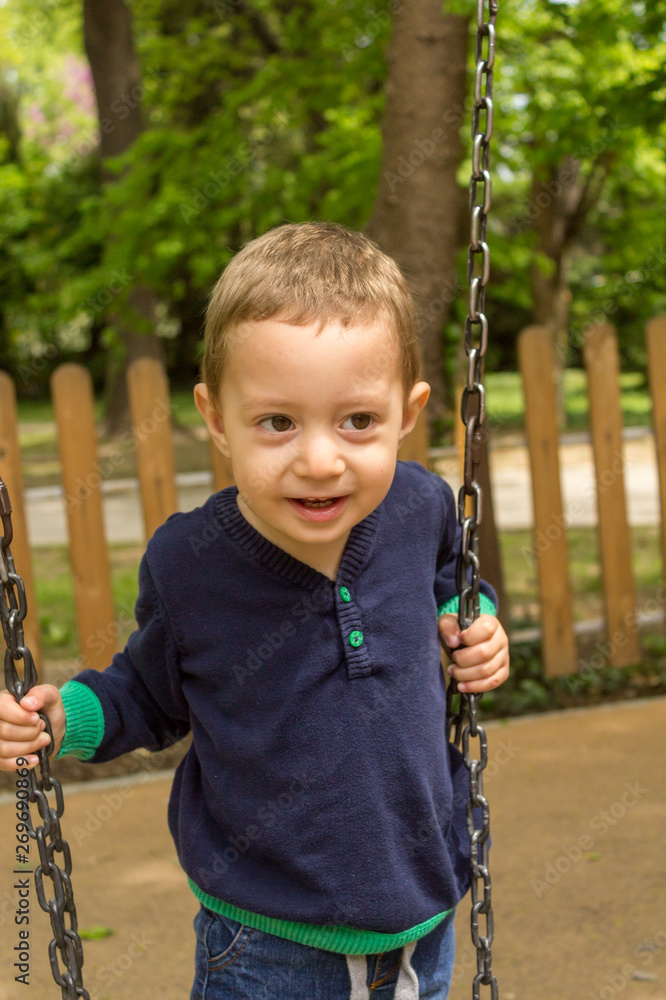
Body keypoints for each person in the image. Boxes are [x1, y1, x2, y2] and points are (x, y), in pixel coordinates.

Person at [0, 222, 509, 1000]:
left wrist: (477, 624)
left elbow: (454, 582)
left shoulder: (422, 506)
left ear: (408, 412)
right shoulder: (192, 564)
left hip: (423, 919)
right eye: (278, 422)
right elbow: (147, 692)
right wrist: (59, 720)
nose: (319, 459)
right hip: (269, 942)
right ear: (215, 416)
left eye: (358, 421)